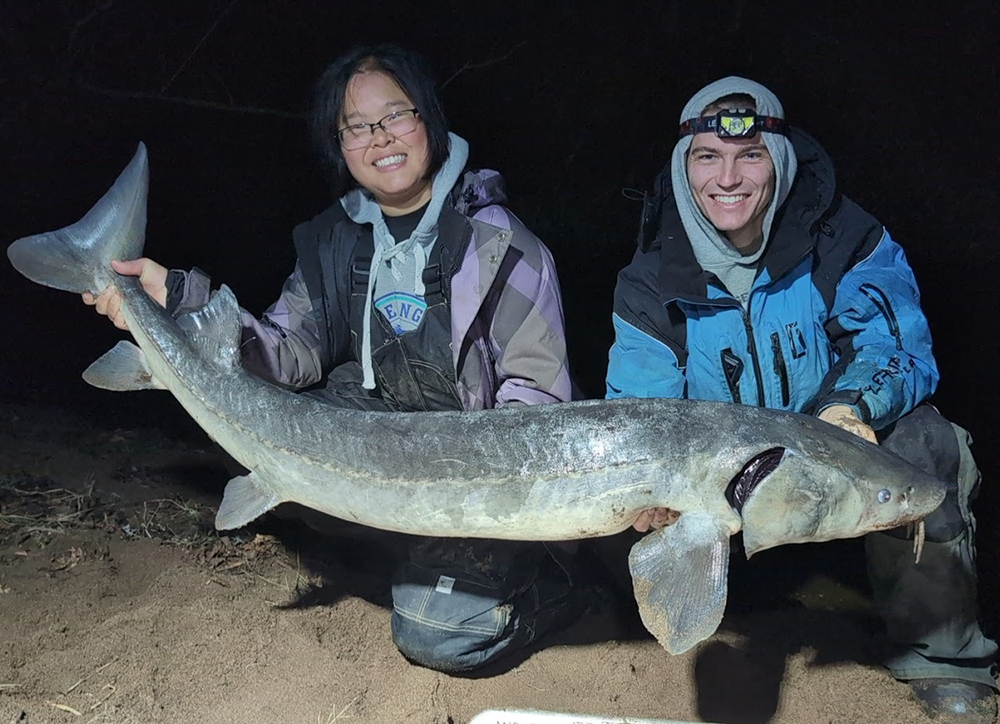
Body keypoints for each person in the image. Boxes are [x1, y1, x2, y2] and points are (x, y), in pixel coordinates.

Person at [84, 44, 588, 673]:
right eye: (356, 126)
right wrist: (178, 299)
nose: (380, 138)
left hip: (475, 472)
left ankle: (552, 586)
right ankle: (413, 549)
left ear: (429, 121)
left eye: (396, 116)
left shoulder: (504, 247)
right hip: (378, 442)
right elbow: (286, 353)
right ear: (339, 145)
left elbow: (540, 409)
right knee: (270, 436)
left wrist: (481, 513)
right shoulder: (331, 239)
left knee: (438, 636)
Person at [607, 76, 997, 722]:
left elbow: (899, 343)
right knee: (620, 502)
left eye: (750, 155)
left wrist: (852, 409)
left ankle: (943, 657)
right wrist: (655, 492)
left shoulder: (844, 239)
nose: (728, 178)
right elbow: (643, 409)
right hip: (722, 501)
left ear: (780, 160)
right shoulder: (650, 280)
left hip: (833, 472)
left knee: (926, 446)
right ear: (684, 167)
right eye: (707, 157)